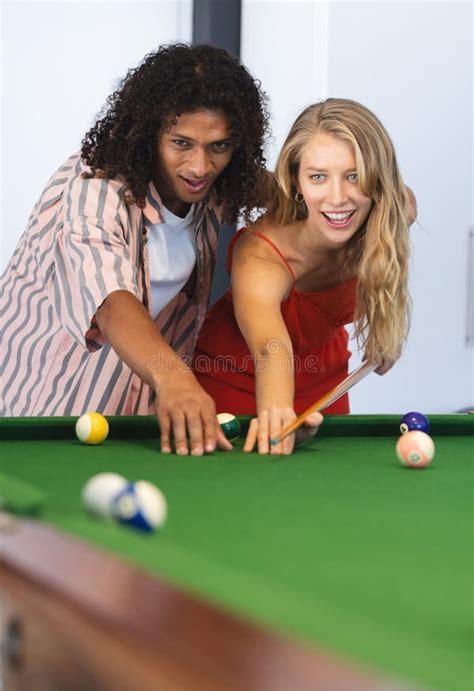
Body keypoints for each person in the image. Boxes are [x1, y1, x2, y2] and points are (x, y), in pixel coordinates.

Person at [0, 43, 270, 456]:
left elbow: (302, 191)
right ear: (148, 134)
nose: (200, 166)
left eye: (219, 146)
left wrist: (379, 194)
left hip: (128, 414)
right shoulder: (95, 188)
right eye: (181, 142)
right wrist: (175, 378)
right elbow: (111, 302)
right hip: (38, 410)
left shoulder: (214, 183)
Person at [194, 98, 415, 455]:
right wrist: (279, 416)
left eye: (354, 176)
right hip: (235, 385)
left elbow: (393, 239)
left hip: (327, 381)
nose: (338, 197)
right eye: (317, 177)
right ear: (296, 182)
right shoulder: (262, 254)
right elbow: (271, 348)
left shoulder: (393, 211)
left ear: (378, 181)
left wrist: (388, 324)